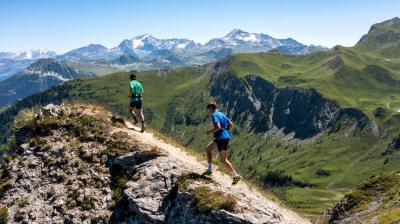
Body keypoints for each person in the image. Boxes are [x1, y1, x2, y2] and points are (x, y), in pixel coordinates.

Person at [204, 102, 241, 185]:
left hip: (221, 138)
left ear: (210, 108)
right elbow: (231, 124)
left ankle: (235, 176)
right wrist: (225, 129)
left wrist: (210, 131)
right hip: (224, 137)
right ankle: (209, 170)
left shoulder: (214, 115)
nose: (209, 111)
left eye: (208, 109)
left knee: (223, 159)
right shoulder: (222, 114)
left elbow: (218, 127)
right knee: (208, 149)